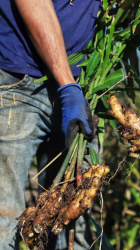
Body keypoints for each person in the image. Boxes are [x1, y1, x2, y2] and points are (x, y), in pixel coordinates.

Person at [0, 0, 102, 248]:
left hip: (82, 84)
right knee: (3, 220)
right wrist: (67, 85)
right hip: (18, 82)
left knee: (76, 221)